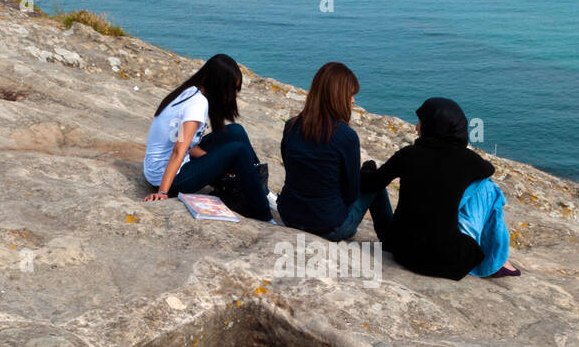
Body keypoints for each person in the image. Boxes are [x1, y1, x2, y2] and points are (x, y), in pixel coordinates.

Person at [360, 96, 520, 281]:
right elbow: (489, 170)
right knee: (488, 188)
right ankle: (499, 260)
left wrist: (368, 169)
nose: (416, 127)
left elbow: (371, 184)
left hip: (403, 251)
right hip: (446, 260)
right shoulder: (468, 160)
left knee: (379, 182)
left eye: (420, 121)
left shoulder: (408, 155)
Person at [142, 53, 272, 221]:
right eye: (232, 89)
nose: (233, 95)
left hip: (164, 167)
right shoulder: (197, 104)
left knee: (235, 131)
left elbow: (185, 142)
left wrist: (214, 161)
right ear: (220, 85)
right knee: (238, 150)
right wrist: (162, 192)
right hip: (171, 178)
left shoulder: (189, 91)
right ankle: (263, 215)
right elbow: (178, 150)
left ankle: (261, 189)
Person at [277, 62, 392, 241]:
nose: (353, 100)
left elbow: (291, 169)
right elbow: (351, 193)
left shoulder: (291, 125)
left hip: (289, 216)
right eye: (350, 95)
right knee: (375, 182)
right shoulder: (346, 136)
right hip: (328, 227)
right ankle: (391, 241)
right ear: (337, 97)